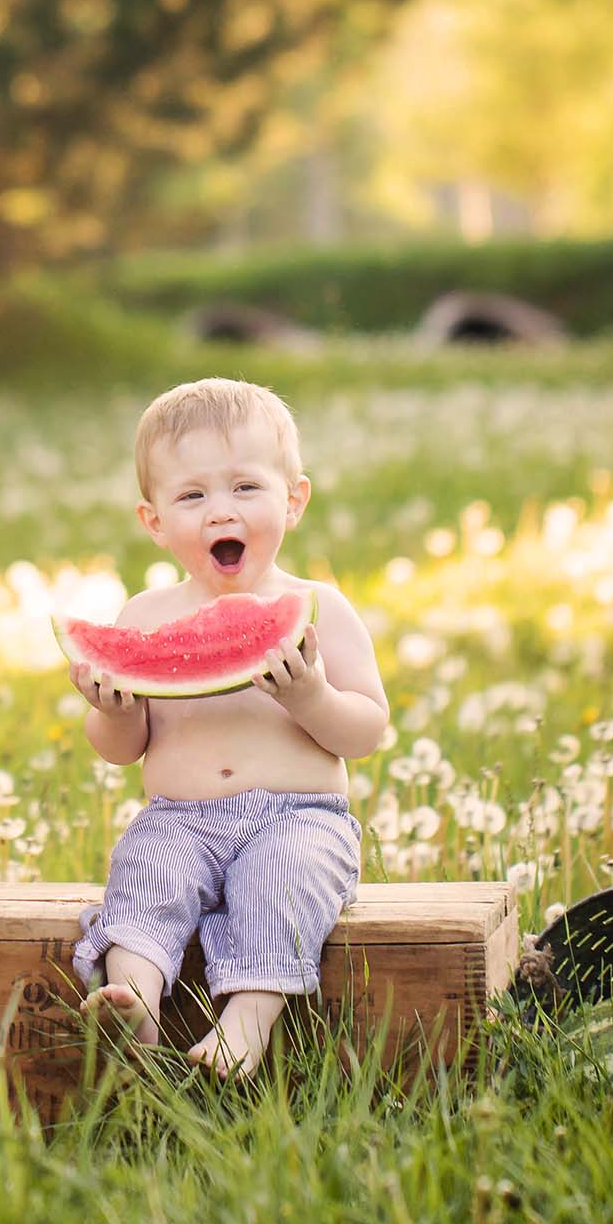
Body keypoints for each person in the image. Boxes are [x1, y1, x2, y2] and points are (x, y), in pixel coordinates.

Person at [68, 378, 389, 1077]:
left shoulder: (320, 608)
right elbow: (120, 749)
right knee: (146, 871)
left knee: (283, 881)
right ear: (154, 522)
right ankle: (135, 1000)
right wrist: (114, 710)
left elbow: (366, 729)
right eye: (193, 496)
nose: (222, 510)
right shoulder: (144, 615)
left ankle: (248, 1021)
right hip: (178, 817)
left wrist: (310, 697)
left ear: (293, 499)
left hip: (300, 818)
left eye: (246, 487)